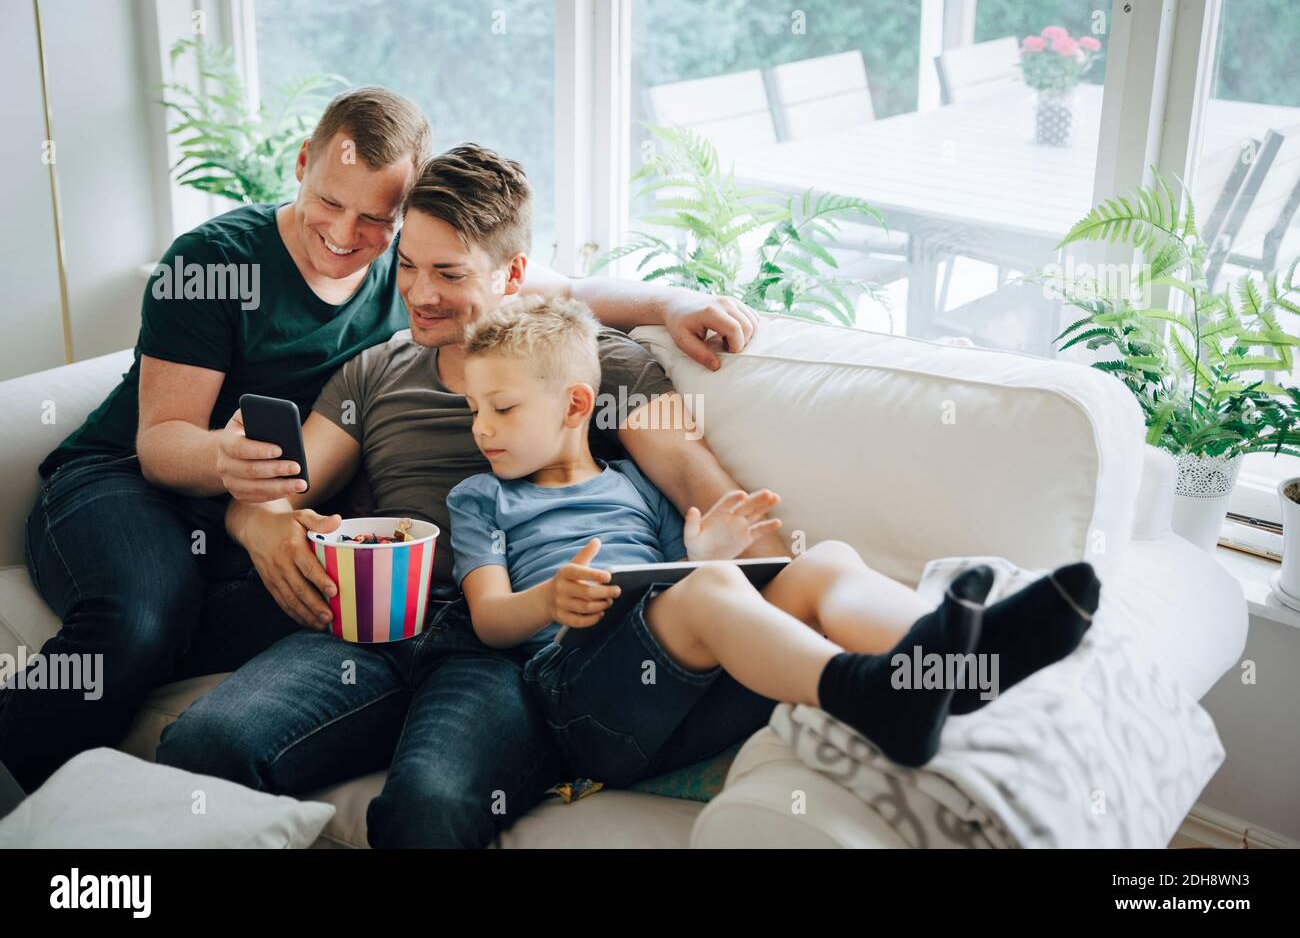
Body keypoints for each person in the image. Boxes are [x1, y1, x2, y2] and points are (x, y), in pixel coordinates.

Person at [2, 85, 760, 794]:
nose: (343, 234)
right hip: (128, 481)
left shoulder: (402, 270)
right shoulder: (218, 262)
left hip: (259, 507)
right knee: (143, 618)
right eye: (330, 202)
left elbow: (539, 287)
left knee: (321, 600)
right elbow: (164, 442)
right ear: (302, 164)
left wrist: (668, 300)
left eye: (376, 221)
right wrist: (237, 484)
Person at [154, 144, 780, 847]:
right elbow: (273, 489)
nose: (419, 294)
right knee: (204, 746)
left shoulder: (592, 363)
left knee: (429, 807)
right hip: (374, 622)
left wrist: (795, 594)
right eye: (409, 265)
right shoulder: (375, 372)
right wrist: (260, 525)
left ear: (514, 275)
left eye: (449, 273)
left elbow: (709, 494)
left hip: (507, 645)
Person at [446, 295, 1101, 782]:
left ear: (575, 406)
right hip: (578, 702)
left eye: (501, 408)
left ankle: (961, 665)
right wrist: (548, 601)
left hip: (685, 703)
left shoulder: (638, 487)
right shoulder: (483, 499)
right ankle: (868, 693)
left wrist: (708, 557)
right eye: (474, 409)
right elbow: (490, 622)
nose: (482, 429)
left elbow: (680, 594)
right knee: (712, 591)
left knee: (824, 562)